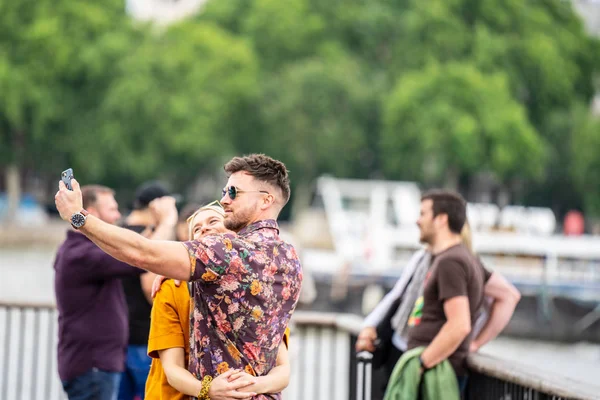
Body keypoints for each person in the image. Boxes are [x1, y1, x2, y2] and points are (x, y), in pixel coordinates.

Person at [54, 154, 303, 400]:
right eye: (224, 191)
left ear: (265, 200)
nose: (225, 199)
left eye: (234, 192)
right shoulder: (291, 258)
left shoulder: (226, 251)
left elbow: (142, 252)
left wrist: (78, 217)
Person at [357, 220, 520, 398]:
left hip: (422, 356)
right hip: (414, 352)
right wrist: (473, 342)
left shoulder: (454, 264)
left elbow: (504, 299)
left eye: (425, 216)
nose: (419, 222)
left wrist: (473, 343)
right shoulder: (443, 259)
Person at [145, 200, 291, 399]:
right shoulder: (173, 287)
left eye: (213, 220)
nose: (204, 228)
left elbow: (283, 370)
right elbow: (172, 370)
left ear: (236, 233)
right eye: (196, 229)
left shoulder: (260, 287)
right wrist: (209, 390)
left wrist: (250, 386)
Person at [54, 185, 142, 400]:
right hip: (92, 366)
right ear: (90, 213)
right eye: (112, 209)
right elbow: (138, 259)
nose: (118, 215)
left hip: (96, 365)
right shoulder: (82, 253)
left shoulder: (82, 250)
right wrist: (166, 222)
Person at [119, 181, 179, 400]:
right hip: (144, 341)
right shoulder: (149, 238)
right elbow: (150, 285)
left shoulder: (119, 233)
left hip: (117, 340)